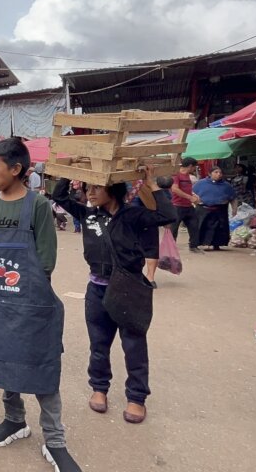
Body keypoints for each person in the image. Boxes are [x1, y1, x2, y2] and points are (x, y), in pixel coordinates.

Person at [0, 138, 82, 472]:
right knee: (4, 360)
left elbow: (45, 262)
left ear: (16, 169)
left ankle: (55, 441)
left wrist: (22, 294)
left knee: (42, 368)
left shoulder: (38, 206)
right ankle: (15, 419)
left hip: (30, 305)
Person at [53, 171, 175, 427]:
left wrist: (151, 184)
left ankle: (137, 397)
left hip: (128, 288)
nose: (90, 193)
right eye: (87, 188)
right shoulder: (87, 215)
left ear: (113, 189)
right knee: (99, 344)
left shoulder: (133, 215)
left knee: (134, 345)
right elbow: (59, 196)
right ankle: (99, 388)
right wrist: (69, 172)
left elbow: (167, 216)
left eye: (97, 188)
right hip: (96, 289)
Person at [193, 167, 237, 251]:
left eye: (220, 173)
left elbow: (233, 198)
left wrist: (234, 209)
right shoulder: (200, 183)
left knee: (219, 228)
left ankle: (217, 245)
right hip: (203, 209)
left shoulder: (226, 185)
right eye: (216, 172)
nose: (219, 174)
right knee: (203, 227)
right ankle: (204, 243)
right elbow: (192, 193)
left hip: (220, 209)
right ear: (210, 174)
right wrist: (194, 202)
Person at [169, 158, 203, 254]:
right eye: (194, 167)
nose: (194, 169)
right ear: (190, 166)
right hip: (177, 206)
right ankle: (171, 248)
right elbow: (175, 189)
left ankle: (193, 246)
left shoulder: (188, 176)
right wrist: (190, 197)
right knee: (174, 228)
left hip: (188, 206)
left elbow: (187, 189)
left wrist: (194, 196)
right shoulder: (176, 175)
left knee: (194, 226)